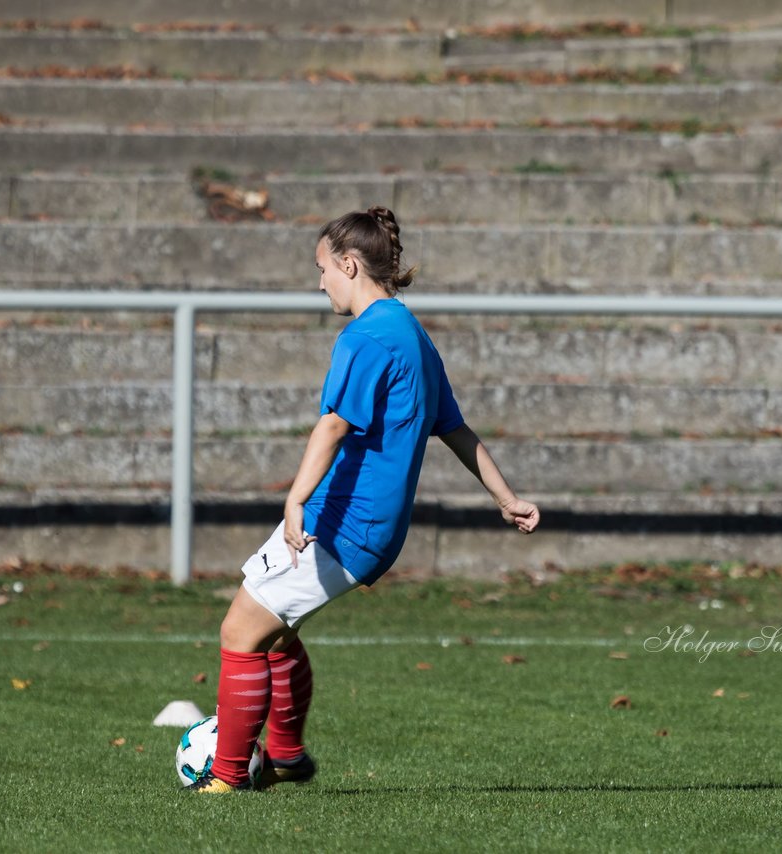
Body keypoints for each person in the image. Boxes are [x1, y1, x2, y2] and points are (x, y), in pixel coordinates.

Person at [189, 206, 541, 793]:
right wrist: (507, 498)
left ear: (349, 265)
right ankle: (287, 756)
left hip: (340, 519)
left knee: (239, 634)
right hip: (376, 530)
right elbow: (455, 429)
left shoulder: (367, 337)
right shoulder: (415, 337)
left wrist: (295, 500)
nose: (318, 281)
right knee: (278, 635)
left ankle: (224, 779)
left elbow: (332, 426)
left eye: (322, 268)